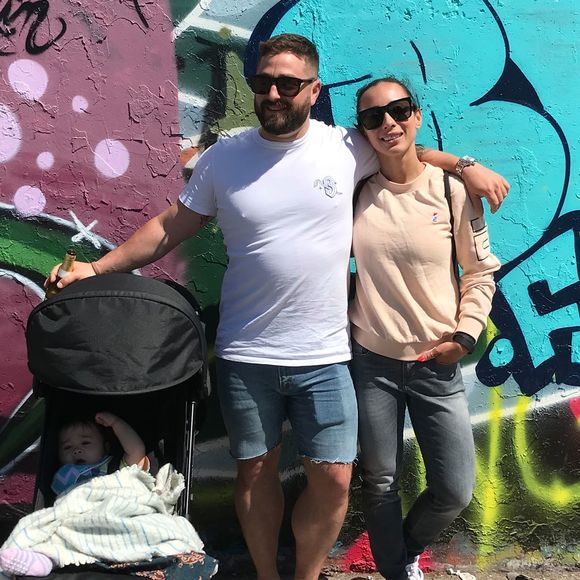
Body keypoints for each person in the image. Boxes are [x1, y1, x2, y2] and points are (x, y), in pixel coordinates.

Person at [46, 34, 508, 580]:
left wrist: (464, 165)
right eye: (263, 82)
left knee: (335, 480)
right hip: (247, 354)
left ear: (313, 90)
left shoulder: (345, 147)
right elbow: (172, 225)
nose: (273, 93)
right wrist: (97, 268)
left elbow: (403, 147)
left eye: (288, 83)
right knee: (255, 473)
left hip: (328, 356)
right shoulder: (225, 157)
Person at [349, 76, 501, 580]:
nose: (388, 123)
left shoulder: (451, 189)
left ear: (416, 115)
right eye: (373, 117)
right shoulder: (356, 192)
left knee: (455, 489)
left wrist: (465, 336)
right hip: (371, 361)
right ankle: (397, 571)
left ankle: (404, 551)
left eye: (399, 110)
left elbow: (479, 272)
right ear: (362, 130)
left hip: (436, 360)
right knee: (380, 482)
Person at [0, 412, 148, 577]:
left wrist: (116, 423)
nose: (76, 450)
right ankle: (41, 560)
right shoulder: (63, 477)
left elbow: (137, 450)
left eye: (85, 443)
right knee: (51, 531)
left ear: (106, 447)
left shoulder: (113, 468)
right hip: (76, 520)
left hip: (110, 512)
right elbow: (59, 511)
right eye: (67, 447)